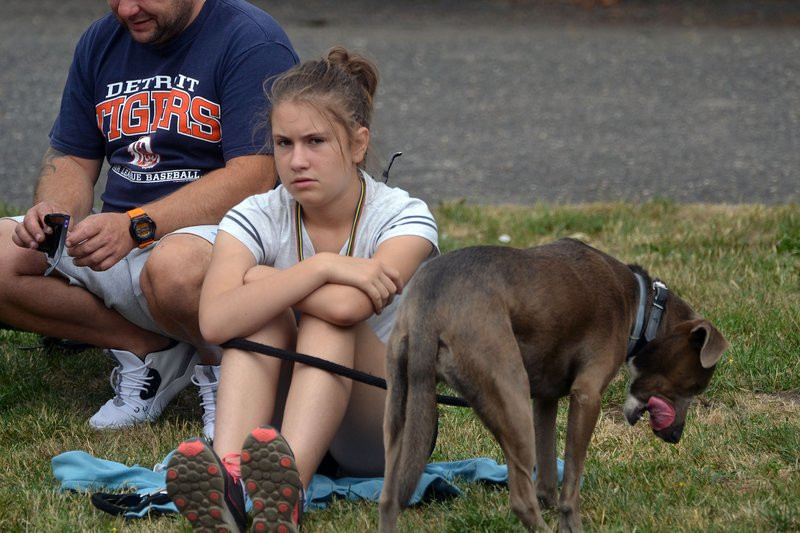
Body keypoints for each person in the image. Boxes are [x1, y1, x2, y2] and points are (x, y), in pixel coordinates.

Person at [164, 47, 439, 532]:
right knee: (264, 317)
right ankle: (234, 481)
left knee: (324, 321)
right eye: (283, 143)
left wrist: (262, 279)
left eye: (316, 141)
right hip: (282, 419)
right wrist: (322, 268)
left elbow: (349, 305)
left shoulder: (403, 217)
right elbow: (215, 321)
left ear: (358, 145)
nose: (297, 160)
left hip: (384, 430)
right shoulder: (255, 214)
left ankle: (284, 495)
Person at [0, 0, 298, 439]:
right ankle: (150, 352)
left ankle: (229, 375)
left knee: (173, 268)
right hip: (124, 237)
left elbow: (254, 176)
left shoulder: (252, 40)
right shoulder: (101, 42)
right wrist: (54, 213)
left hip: (223, 246)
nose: (126, 9)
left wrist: (139, 224)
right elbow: (73, 160)